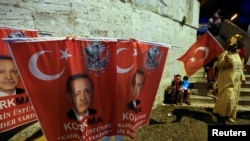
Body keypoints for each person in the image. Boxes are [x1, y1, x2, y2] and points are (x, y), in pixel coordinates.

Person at [213, 34, 246, 124]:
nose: (238, 48)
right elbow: (219, 66)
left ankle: (229, 115)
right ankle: (221, 115)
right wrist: (225, 61)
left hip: (236, 81)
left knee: (234, 99)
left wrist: (243, 77)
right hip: (227, 80)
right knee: (227, 98)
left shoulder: (236, 54)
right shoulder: (225, 53)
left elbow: (239, 67)